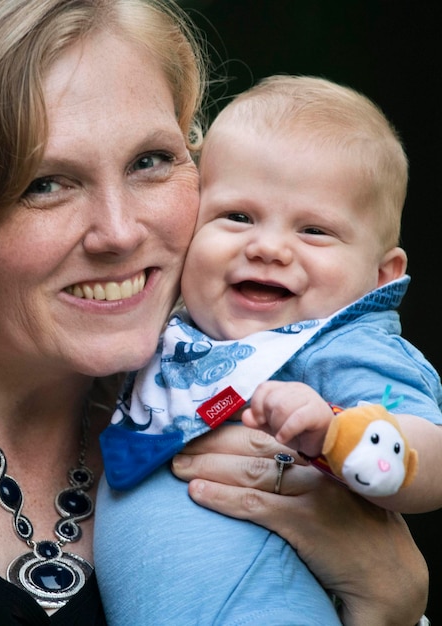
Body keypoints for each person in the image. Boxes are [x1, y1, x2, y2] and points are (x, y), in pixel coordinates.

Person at [0, 1, 428, 623]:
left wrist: (389, 604)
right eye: (44, 182)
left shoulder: (234, 369)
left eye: (149, 161)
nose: (118, 232)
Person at [96, 75, 441, 624]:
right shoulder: (170, 334)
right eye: (237, 217)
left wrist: (339, 434)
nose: (268, 247)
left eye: (314, 231)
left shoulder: (339, 344)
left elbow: (430, 452)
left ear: (380, 276)